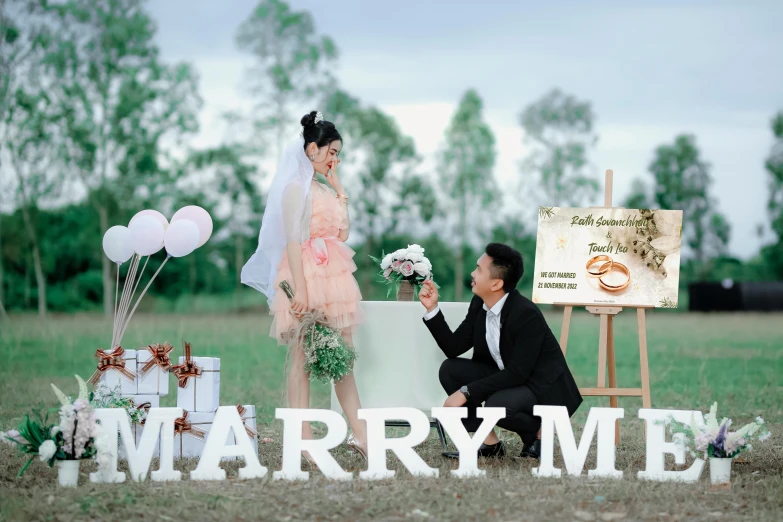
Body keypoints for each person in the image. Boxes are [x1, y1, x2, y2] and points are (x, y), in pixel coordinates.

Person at [241, 111, 367, 462]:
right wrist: (301, 289)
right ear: (312, 149)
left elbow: (342, 234)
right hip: (304, 275)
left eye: (338, 154)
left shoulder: (325, 189)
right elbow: (293, 242)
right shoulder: (294, 189)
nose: (335, 159)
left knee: (343, 356)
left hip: (336, 276)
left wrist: (340, 189)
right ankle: (303, 440)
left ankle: (362, 436)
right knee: (301, 356)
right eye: (331, 152)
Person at [419, 243, 582, 459]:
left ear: (496, 283)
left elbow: (519, 373)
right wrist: (432, 308)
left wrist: (465, 392)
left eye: (478, 269)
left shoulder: (526, 314)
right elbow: (454, 347)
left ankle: (539, 435)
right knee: (451, 370)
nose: (472, 273)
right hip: (508, 376)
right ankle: (490, 444)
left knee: (497, 405)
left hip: (539, 385)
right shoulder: (479, 303)